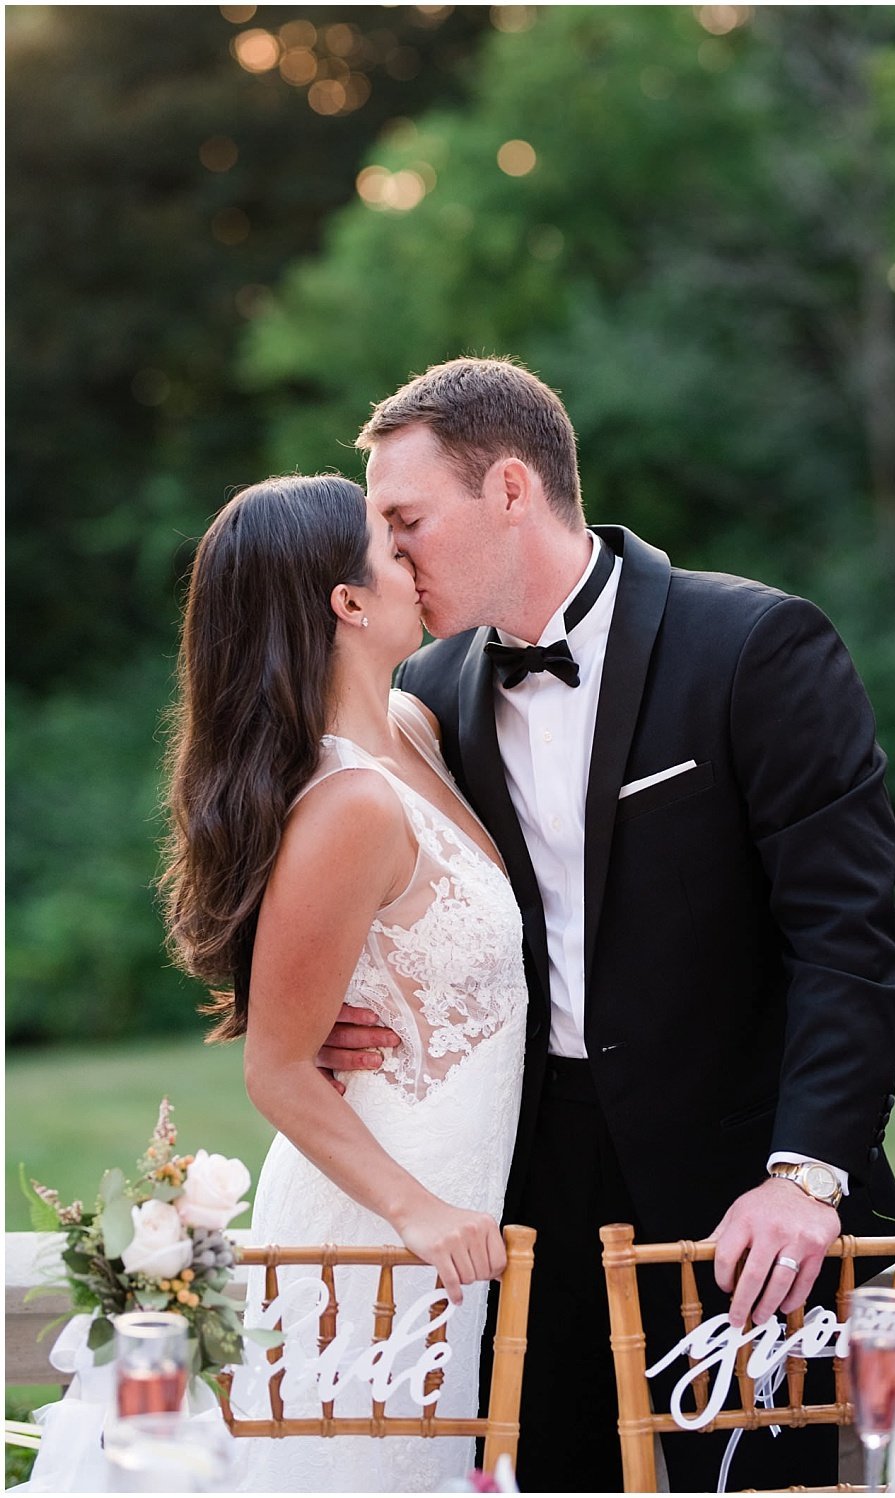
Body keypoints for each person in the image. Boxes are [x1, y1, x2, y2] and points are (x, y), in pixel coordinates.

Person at [321, 356, 895, 1493]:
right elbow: (342, 868)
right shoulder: (429, 696)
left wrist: (805, 1177)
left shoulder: (756, 647)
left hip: (737, 1200)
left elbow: (847, 935)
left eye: (406, 521)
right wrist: (313, 1006)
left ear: (507, 489)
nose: (389, 557)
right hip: (529, 1190)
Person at [159, 474, 529, 1493]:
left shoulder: (414, 726)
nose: (414, 560)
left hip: (456, 1215)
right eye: (391, 543)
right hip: (379, 1233)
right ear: (349, 601)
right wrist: (416, 1213)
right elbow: (277, 1070)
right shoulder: (349, 805)